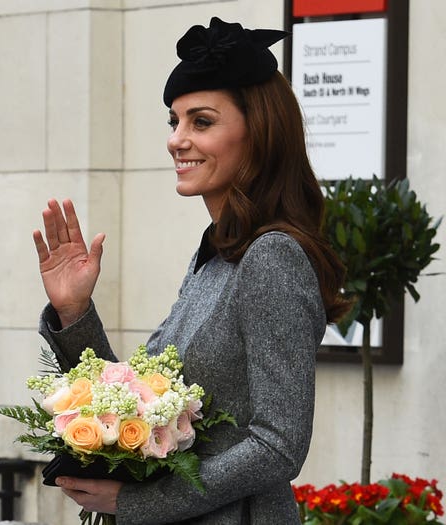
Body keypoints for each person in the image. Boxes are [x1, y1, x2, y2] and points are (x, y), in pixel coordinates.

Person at [32, 17, 350, 525]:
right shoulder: (217, 255)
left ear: (259, 133)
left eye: (200, 122)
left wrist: (138, 503)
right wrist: (74, 312)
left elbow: (279, 444)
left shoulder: (271, 257)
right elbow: (137, 409)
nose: (177, 140)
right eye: (173, 121)